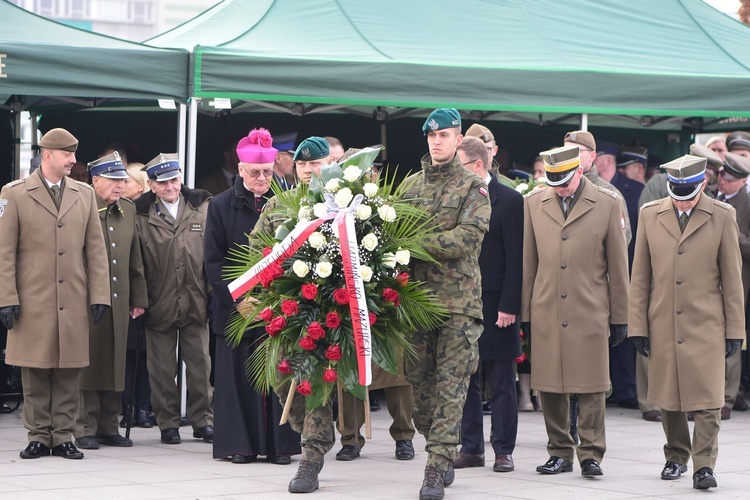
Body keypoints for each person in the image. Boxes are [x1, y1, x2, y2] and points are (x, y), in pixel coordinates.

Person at [629, 154, 744, 490]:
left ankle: (704, 465)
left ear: (702, 184)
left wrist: (736, 330)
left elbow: (732, 280)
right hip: (663, 319)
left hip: (707, 322)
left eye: (689, 193)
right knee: (669, 397)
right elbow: (640, 277)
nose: (683, 201)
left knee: (709, 399)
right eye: (677, 193)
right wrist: (637, 325)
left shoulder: (723, 215)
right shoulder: (650, 214)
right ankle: (676, 456)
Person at [0, 128, 110, 460]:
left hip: (74, 296)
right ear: (48, 155)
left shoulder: (84, 194)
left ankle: (63, 435)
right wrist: (6, 297)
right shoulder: (15, 193)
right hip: (33, 297)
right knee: (35, 370)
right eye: (67, 154)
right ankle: (38, 436)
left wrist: (100, 295)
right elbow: (4, 252)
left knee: (68, 368)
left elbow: (96, 250)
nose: (73, 161)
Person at [522, 145, 629, 477]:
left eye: (565, 181)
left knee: (592, 386)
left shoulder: (607, 203)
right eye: (553, 181)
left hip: (589, 308)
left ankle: (591, 453)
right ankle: (559, 451)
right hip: (547, 307)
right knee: (550, 384)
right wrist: (526, 313)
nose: (559, 187)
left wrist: (621, 317)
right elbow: (529, 263)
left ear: (580, 171)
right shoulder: (533, 204)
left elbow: (618, 266)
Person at [402, 108, 490, 500]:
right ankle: (440, 443)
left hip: (458, 305)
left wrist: (414, 246)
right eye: (432, 136)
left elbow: (467, 238)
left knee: (452, 388)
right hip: (416, 305)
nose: (437, 141)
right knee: (421, 391)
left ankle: (436, 468)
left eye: (445, 135)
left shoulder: (474, 187)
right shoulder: (408, 187)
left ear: (459, 140)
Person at [204, 128, 301, 465]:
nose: (262, 178)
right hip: (236, 308)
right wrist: (239, 298)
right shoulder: (218, 206)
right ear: (241, 171)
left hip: (278, 304)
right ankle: (240, 445)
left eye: (268, 172)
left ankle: (280, 446)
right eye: (255, 173)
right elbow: (213, 262)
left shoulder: (288, 202)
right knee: (238, 381)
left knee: (278, 373)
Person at [252, 136, 334, 493]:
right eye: (302, 164)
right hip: (287, 311)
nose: (307, 170)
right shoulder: (277, 205)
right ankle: (308, 433)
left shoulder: (339, 206)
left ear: (328, 165)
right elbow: (256, 248)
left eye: (314, 164)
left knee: (315, 381)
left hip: (328, 311)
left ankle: (311, 460)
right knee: (285, 379)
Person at [453, 136, 523, 473]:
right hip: (464, 303)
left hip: (497, 305)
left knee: (501, 383)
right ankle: (471, 448)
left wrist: (510, 305)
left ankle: (503, 450)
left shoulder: (509, 200)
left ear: (478, 165)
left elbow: (517, 258)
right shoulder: (457, 198)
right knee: (466, 379)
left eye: (460, 164)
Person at [134, 153, 214, 445]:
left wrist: (211, 294)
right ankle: (167, 422)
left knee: (200, 365)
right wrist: (141, 299)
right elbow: (136, 262)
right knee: (162, 369)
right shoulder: (141, 214)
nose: (170, 186)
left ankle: (203, 420)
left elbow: (212, 253)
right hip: (160, 299)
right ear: (151, 185)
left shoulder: (201, 206)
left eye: (174, 180)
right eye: (163, 182)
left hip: (195, 297)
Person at [74, 151, 148, 450]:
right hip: (88, 297)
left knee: (116, 360)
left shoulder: (128, 210)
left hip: (119, 299)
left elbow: (135, 258)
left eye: (122, 180)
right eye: (113, 179)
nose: (120, 185)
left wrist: (139, 296)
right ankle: (85, 426)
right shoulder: (82, 206)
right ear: (95, 181)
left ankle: (109, 425)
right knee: (91, 361)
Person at [566, 132, 639, 413]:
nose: (568, 157)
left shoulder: (609, 195)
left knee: (589, 366)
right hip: (563, 291)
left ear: (591, 156)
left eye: (575, 151)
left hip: (594, 291)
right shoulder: (557, 189)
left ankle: (584, 421)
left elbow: (623, 241)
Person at [713, 151, 750, 418]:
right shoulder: (716, 198)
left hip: (738, 278)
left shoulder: (746, 204)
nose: (721, 181)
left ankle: (728, 397)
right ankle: (714, 393)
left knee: (733, 334)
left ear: (740, 181)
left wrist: (733, 233)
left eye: (727, 178)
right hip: (710, 277)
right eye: (720, 175)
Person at [119, 161, 154, 429]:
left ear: (140, 185)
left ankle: (141, 407)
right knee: (131, 353)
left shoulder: (141, 213)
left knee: (141, 355)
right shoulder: (124, 210)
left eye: (127, 181)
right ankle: (130, 407)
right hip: (132, 293)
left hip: (146, 291)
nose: (122, 185)